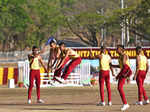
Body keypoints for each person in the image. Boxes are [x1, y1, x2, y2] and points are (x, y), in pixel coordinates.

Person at [111, 45, 132, 111]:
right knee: (119, 88)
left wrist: (118, 76)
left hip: (125, 71)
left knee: (119, 87)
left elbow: (125, 67)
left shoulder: (124, 55)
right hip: (124, 71)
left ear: (121, 49)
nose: (116, 50)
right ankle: (125, 104)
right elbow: (121, 66)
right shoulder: (120, 56)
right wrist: (113, 65)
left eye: (118, 49)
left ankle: (125, 104)